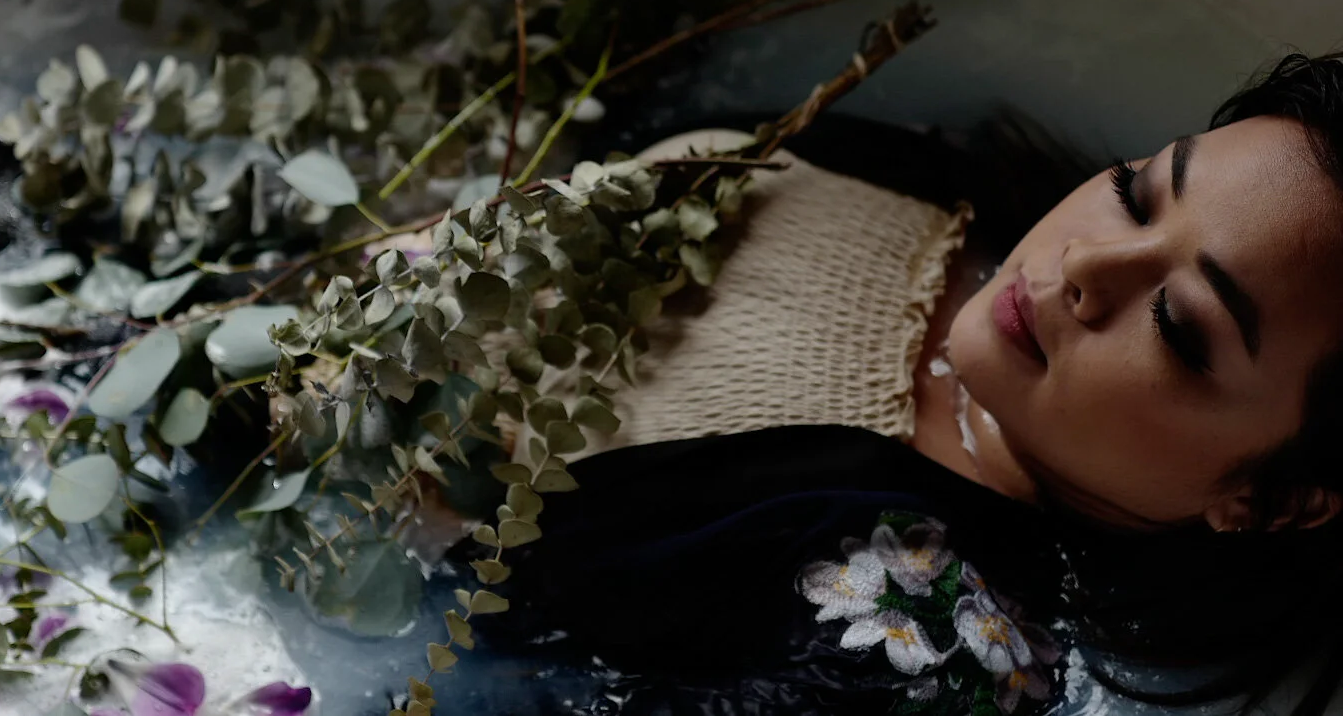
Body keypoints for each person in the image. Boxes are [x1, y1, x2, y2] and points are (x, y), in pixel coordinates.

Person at [461, 52, 1343, 716]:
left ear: (1270, 501)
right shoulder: (947, 188)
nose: (1086, 262)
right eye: (1136, 192)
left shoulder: (932, 652)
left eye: (1179, 325)